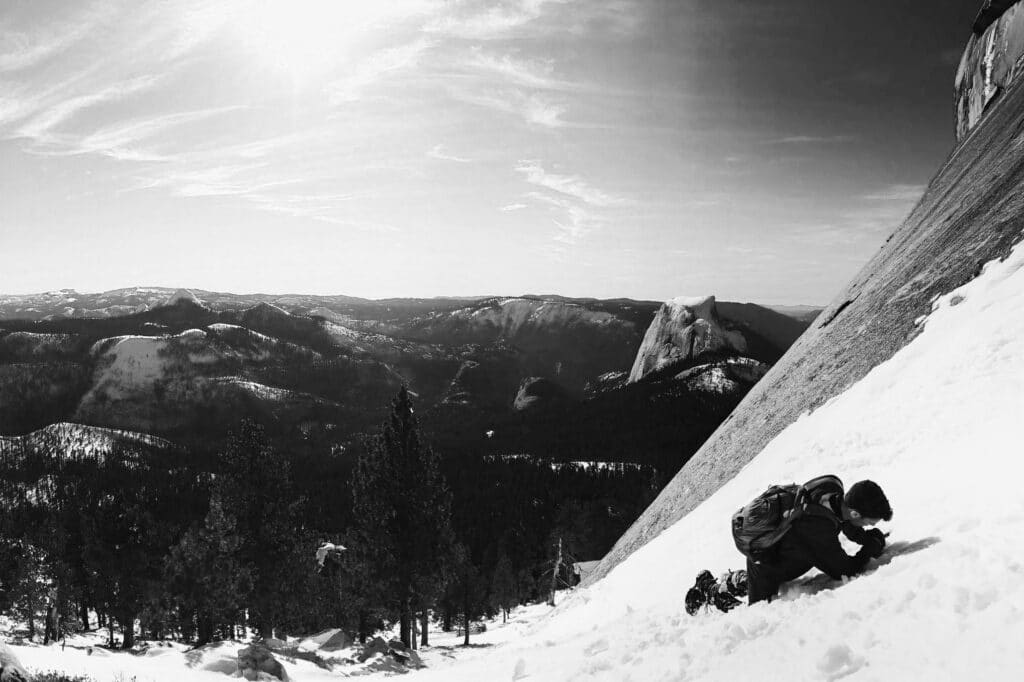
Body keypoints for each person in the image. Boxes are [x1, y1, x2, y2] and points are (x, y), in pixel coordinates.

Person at [686, 476, 892, 613]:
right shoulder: (817, 530)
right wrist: (871, 547)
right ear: (855, 513)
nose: (869, 526)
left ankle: (726, 584)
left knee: (770, 573)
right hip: (764, 560)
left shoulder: (831, 487)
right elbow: (844, 569)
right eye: (868, 522)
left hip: (778, 548)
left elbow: (845, 522)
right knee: (757, 612)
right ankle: (711, 591)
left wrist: (866, 538)